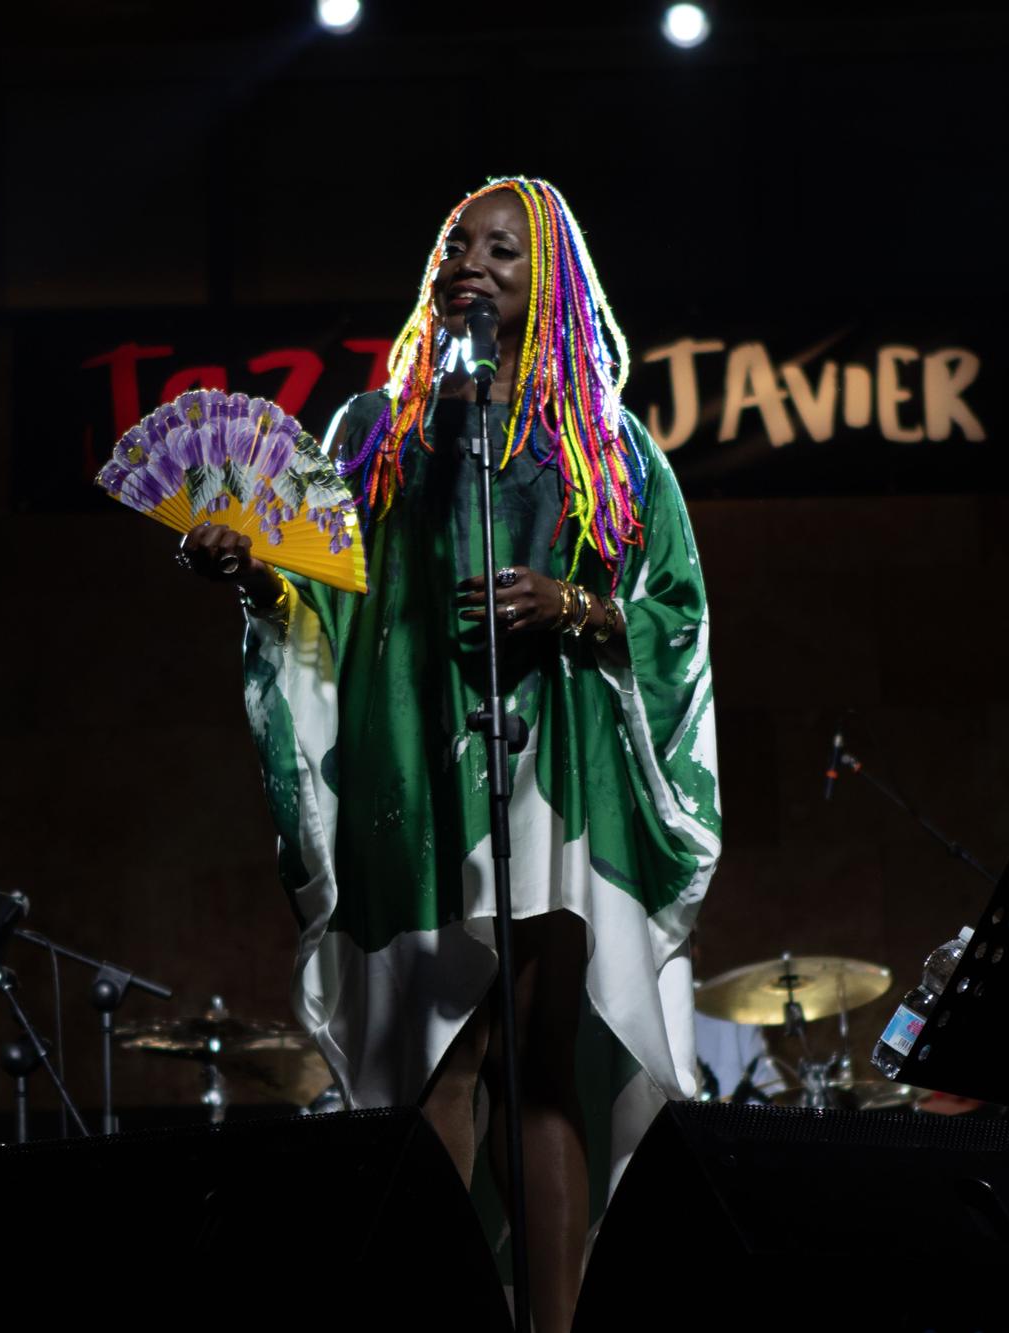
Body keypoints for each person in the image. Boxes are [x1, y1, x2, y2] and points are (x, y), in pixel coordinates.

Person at [180, 177, 720, 1330]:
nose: (468, 264)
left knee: (540, 1062)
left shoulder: (611, 450)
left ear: (552, 285)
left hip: (551, 780)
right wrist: (253, 571)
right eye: (454, 247)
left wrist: (569, 605)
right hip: (419, 780)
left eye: (501, 251)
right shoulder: (374, 434)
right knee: (438, 1059)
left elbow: (672, 614)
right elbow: (326, 598)